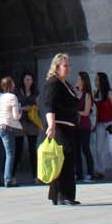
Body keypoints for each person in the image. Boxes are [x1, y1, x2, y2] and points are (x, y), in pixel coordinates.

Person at [41, 53, 80, 206]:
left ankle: (56, 194)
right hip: (60, 127)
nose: (68, 68)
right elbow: (48, 104)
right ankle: (64, 195)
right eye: (65, 66)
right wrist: (51, 125)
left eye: (68, 65)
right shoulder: (53, 83)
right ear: (56, 67)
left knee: (64, 159)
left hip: (68, 126)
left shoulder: (66, 84)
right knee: (65, 159)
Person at [0, 75, 22, 188]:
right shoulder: (12, 97)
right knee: (10, 153)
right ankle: (8, 179)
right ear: (11, 85)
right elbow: (16, 116)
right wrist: (20, 111)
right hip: (6, 127)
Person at [93, 71, 112, 180]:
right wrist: (95, 124)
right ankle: (100, 170)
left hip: (110, 122)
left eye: (97, 79)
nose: (96, 81)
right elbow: (97, 111)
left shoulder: (110, 93)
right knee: (98, 149)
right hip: (100, 123)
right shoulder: (96, 93)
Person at [72, 70, 96, 183]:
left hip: (84, 125)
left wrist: (75, 112)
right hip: (75, 125)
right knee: (76, 150)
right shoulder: (75, 93)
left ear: (83, 81)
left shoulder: (87, 95)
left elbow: (86, 112)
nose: (77, 81)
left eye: (78, 79)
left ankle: (91, 173)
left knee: (85, 148)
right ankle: (79, 173)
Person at [18, 70, 41, 177]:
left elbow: (39, 106)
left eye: (30, 79)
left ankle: (35, 175)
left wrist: (33, 108)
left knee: (32, 149)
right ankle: (12, 175)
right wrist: (23, 108)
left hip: (32, 122)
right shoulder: (18, 92)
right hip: (20, 122)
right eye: (27, 79)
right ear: (23, 80)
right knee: (18, 148)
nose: (29, 82)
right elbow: (14, 106)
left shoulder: (35, 92)